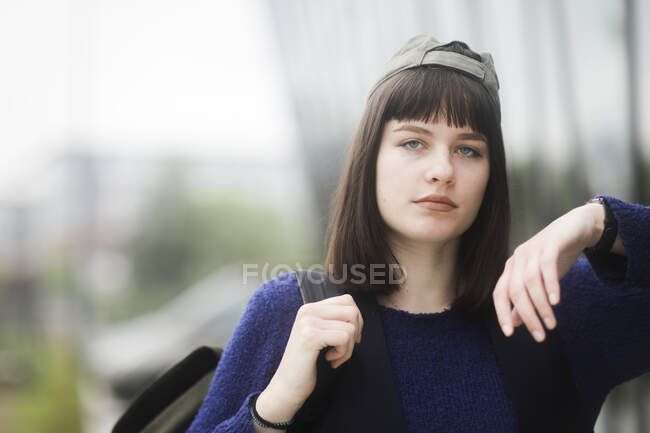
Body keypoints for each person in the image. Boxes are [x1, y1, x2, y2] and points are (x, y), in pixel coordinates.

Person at [186, 35, 650, 432]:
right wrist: (272, 409)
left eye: (468, 150)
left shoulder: (551, 304)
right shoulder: (293, 312)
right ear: (370, 160)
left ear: (492, 175)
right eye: (413, 143)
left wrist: (599, 222)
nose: (442, 171)